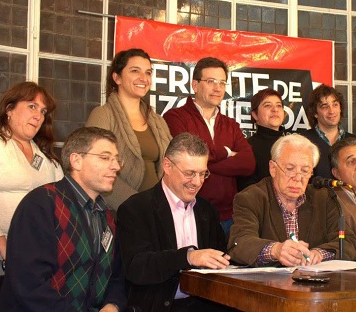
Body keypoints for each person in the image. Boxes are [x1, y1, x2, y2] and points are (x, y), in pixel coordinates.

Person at [0, 127, 126, 311]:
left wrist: (112, 305)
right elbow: (29, 283)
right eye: (105, 157)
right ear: (76, 160)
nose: (116, 166)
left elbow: (116, 277)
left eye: (116, 159)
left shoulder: (106, 216)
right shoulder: (41, 205)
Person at [0, 81, 63, 310]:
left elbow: (61, 207)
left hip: (30, 263)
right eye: (31, 106)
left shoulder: (48, 159)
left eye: (43, 111)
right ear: (9, 109)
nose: (38, 115)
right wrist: (5, 247)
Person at [118, 133, 230, 312]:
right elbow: (136, 268)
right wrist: (187, 257)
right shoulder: (136, 208)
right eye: (189, 173)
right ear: (167, 165)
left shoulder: (206, 210)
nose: (197, 182)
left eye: (203, 174)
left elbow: (220, 257)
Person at [228, 134, 356, 266]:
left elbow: (348, 242)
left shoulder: (323, 198)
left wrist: (319, 254)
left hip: (315, 283)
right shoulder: (251, 198)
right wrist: (276, 250)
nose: (298, 177)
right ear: (273, 168)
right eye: (290, 169)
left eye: (305, 171)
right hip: (269, 284)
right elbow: (239, 243)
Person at [163, 57, 255, 234]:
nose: (217, 88)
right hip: (189, 214)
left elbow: (248, 163)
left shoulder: (231, 124)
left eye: (222, 83)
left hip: (229, 217)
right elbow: (186, 156)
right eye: (211, 81)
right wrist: (227, 152)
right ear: (195, 85)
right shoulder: (175, 117)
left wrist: (206, 165)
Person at [86, 48, 172, 210]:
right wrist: (136, 205)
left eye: (148, 72)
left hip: (157, 210)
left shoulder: (158, 121)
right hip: (120, 212)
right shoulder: (103, 115)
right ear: (117, 78)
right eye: (135, 71)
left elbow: (171, 165)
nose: (143, 78)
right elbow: (95, 168)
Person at [301, 84, 356, 179]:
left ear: (340, 108)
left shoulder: (354, 142)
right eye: (324, 106)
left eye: (335, 105)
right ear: (315, 113)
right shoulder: (303, 141)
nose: (331, 111)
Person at [238, 88, 287, 191]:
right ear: (255, 115)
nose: (275, 109)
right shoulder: (247, 147)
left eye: (279, 105)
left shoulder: (292, 144)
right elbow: (247, 190)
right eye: (268, 105)